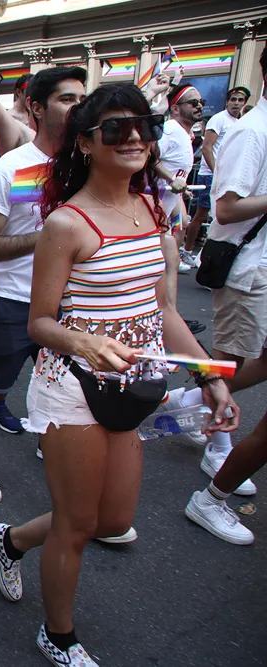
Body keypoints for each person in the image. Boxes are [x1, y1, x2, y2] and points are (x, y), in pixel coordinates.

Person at [0, 83, 238, 667]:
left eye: (144, 126)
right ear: (85, 143)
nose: (134, 139)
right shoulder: (65, 223)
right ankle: (58, 635)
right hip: (73, 385)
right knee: (77, 524)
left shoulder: (151, 209)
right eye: (115, 129)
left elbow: (164, 309)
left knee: (112, 520)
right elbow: (40, 321)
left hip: (133, 385)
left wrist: (209, 377)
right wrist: (84, 341)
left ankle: (12, 539)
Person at [0, 66, 87, 504]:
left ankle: (52, 445)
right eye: (66, 99)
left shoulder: (85, 166)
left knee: (64, 388)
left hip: (70, 303)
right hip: (14, 302)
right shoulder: (11, 168)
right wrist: (49, 234)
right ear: (36, 107)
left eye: (81, 98)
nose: (77, 107)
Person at [179, 55, 267, 543]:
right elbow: (226, 208)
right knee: (229, 361)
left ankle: (191, 399)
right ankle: (216, 447)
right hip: (245, 267)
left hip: (262, 265)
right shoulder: (252, 133)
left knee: (254, 361)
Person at [153, 83, 207, 332]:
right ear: (175, 108)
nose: (199, 106)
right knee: (167, 262)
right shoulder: (171, 130)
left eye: (201, 103)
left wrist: (179, 198)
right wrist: (170, 179)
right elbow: (147, 156)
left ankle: (169, 318)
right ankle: (169, 322)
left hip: (163, 208)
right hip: (148, 209)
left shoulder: (184, 134)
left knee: (170, 261)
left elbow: (176, 175)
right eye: (192, 103)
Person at [181, 86, 250, 268]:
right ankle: (187, 251)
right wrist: (217, 173)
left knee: (217, 217)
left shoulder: (240, 122)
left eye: (240, 100)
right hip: (210, 175)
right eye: (233, 99)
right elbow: (206, 148)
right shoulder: (219, 119)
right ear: (227, 101)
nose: (236, 103)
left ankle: (204, 255)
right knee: (202, 215)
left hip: (228, 177)